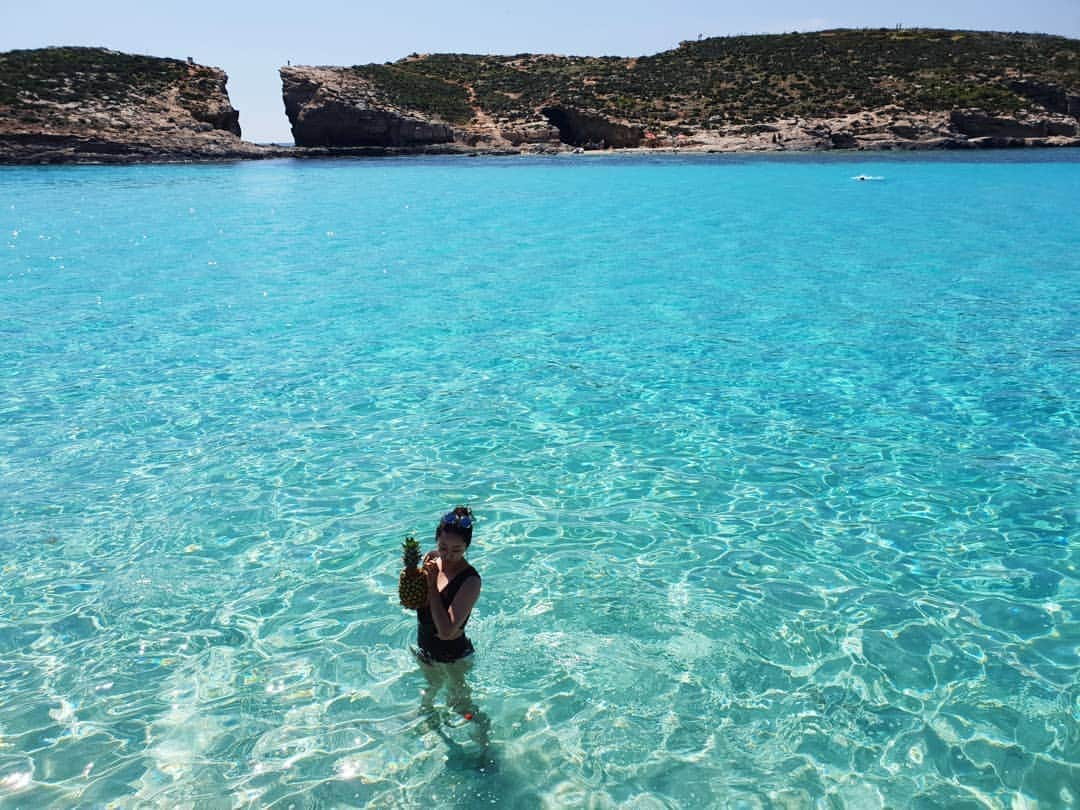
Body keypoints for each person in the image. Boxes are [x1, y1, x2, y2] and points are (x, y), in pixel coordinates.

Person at [414, 506, 482, 664]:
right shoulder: (431, 559)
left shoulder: (471, 581)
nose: (448, 555)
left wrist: (432, 587)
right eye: (443, 547)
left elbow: (446, 631)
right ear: (436, 540)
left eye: (456, 550)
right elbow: (419, 604)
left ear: (466, 546)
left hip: (455, 659)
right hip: (424, 650)